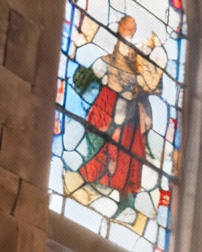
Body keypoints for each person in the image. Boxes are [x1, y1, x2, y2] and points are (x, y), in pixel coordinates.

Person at [67, 13, 165, 217]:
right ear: (120, 28)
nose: (131, 31)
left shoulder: (136, 55)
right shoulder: (114, 53)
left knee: (129, 152)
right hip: (109, 101)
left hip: (130, 110)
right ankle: (98, 186)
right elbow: (106, 70)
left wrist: (144, 74)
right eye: (128, 27)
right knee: (100, 140)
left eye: (133, 28)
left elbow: (149, 80)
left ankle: (121, 194)